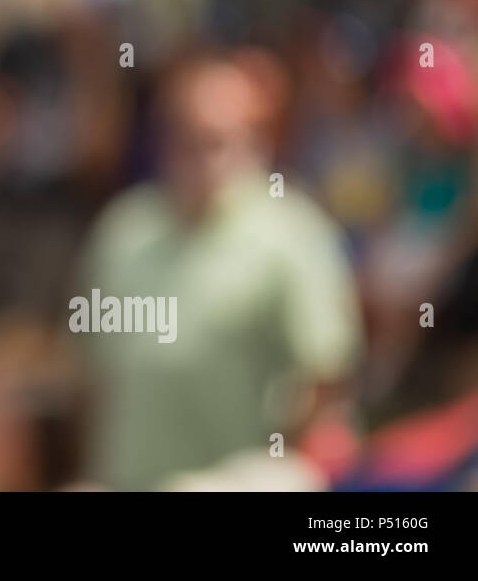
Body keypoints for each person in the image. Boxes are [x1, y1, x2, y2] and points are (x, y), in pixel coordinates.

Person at [74, 48, 365, 490]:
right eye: (185, 136)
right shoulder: (124, 230)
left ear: (254, 140)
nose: (200, 157)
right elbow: (90, 372)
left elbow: (327, 377)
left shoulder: (293, 234)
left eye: (216, 140)